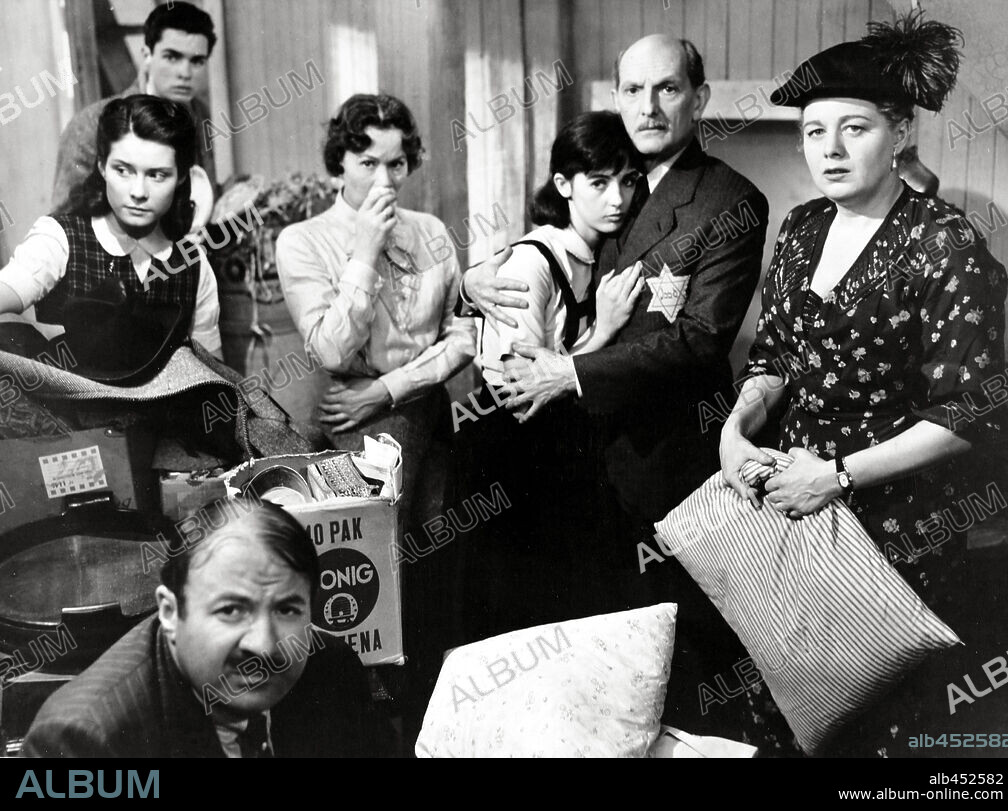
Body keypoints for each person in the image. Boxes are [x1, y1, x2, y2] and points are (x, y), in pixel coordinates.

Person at [719, 12, 1008, 756]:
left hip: (899, 522)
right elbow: (774, 356)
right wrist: (736, 429)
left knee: (872, 731)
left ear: (902, 131)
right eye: (815, 132)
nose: (832, 150)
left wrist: (839, 475)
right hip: (792, 503)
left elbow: (971, 411)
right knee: (778, 702)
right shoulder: (803, 226)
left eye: (855, 128)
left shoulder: (945, 243)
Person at [463, 34, 769, 733]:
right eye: (633, 90)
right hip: (576, 468)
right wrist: (465, 282)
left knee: (681, 658)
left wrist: (570, 369)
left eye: (667, 88)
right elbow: (543, 258)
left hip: (665, 463)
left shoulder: (727, 200)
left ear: (700, 98)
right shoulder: (616, 180)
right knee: (591, 662)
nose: (650, 106)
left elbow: (699, 340)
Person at [275, 93, 476, 724]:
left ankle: (425, 726)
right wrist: (363, 250)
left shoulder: (434, 234)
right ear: (339, 164)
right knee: (356, 588)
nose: (384, 180)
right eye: (367, 163)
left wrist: (387, 390)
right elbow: (332, 346)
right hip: (346, 432)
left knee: (427, 589)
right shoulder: (302, 241)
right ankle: (360, 725)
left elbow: (463, 338)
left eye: (396, 164)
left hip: (423, 424)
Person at [463, 111, 645, 638]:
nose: (617, 199)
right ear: (564, 185)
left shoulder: (598, 255)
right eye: (599, 183)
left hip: (558, 444)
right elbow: (520, 386)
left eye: (628, 181)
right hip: (508, 449)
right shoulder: (533, 262)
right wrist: (604, 331)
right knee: (524, 608)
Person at [23, 499, 391, 758]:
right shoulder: (84, 739)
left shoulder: (331, 666)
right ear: (170, 612)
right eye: (231, 610)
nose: (263, 645)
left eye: (287, 608)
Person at [0, 94, 221, 358]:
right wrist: (41, 336)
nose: (138, 192)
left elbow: (212, 373)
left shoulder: (193, 263)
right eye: (123, 171)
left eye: (157, 175)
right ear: (102, 166)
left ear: (182, 177)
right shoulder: (59, 239)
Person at [52, 1, 217, 227]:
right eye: (172, 57)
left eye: (197, 61)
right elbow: (64, 221)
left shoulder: (199, 113)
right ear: (147, 55)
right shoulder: (92, 123)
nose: (185, 73)